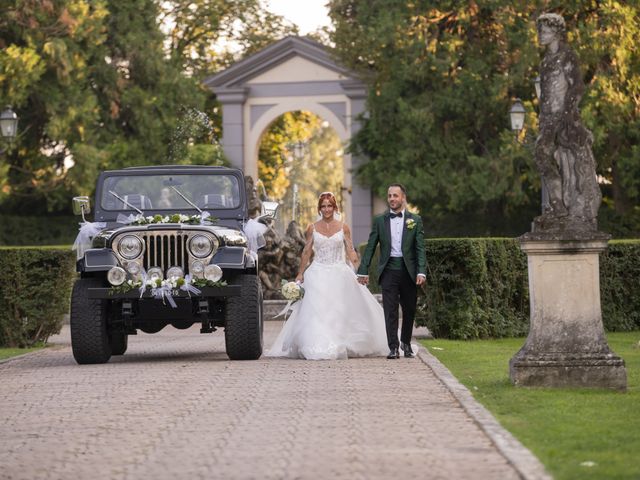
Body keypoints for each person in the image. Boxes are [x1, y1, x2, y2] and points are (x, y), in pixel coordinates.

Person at [266, 192, 388, 360]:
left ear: (335, 207)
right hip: (318, 273)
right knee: (317, 310)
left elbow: (351, 250)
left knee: (341, 309)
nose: (326, 209)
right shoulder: (312, 228)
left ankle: (341, 341)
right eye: (323, 206)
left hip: (340, 272)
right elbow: (307, 251)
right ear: (319, 208)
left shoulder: (343, 227)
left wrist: (360, 270)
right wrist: (300, 273)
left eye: (329, 206)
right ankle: (317, 343)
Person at [357, 184, 427, 359]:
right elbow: (371, 246)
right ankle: (393, 347)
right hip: (388, 271)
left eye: (395, 196)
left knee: (410, 309)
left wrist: (421, 271)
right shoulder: (380, 221)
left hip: (409, 271)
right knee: (390, 310)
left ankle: (405, 342)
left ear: (403, 198)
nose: (392, 199)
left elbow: (420, 249)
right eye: (389, 196)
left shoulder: (415, 220)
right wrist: (363, 270)